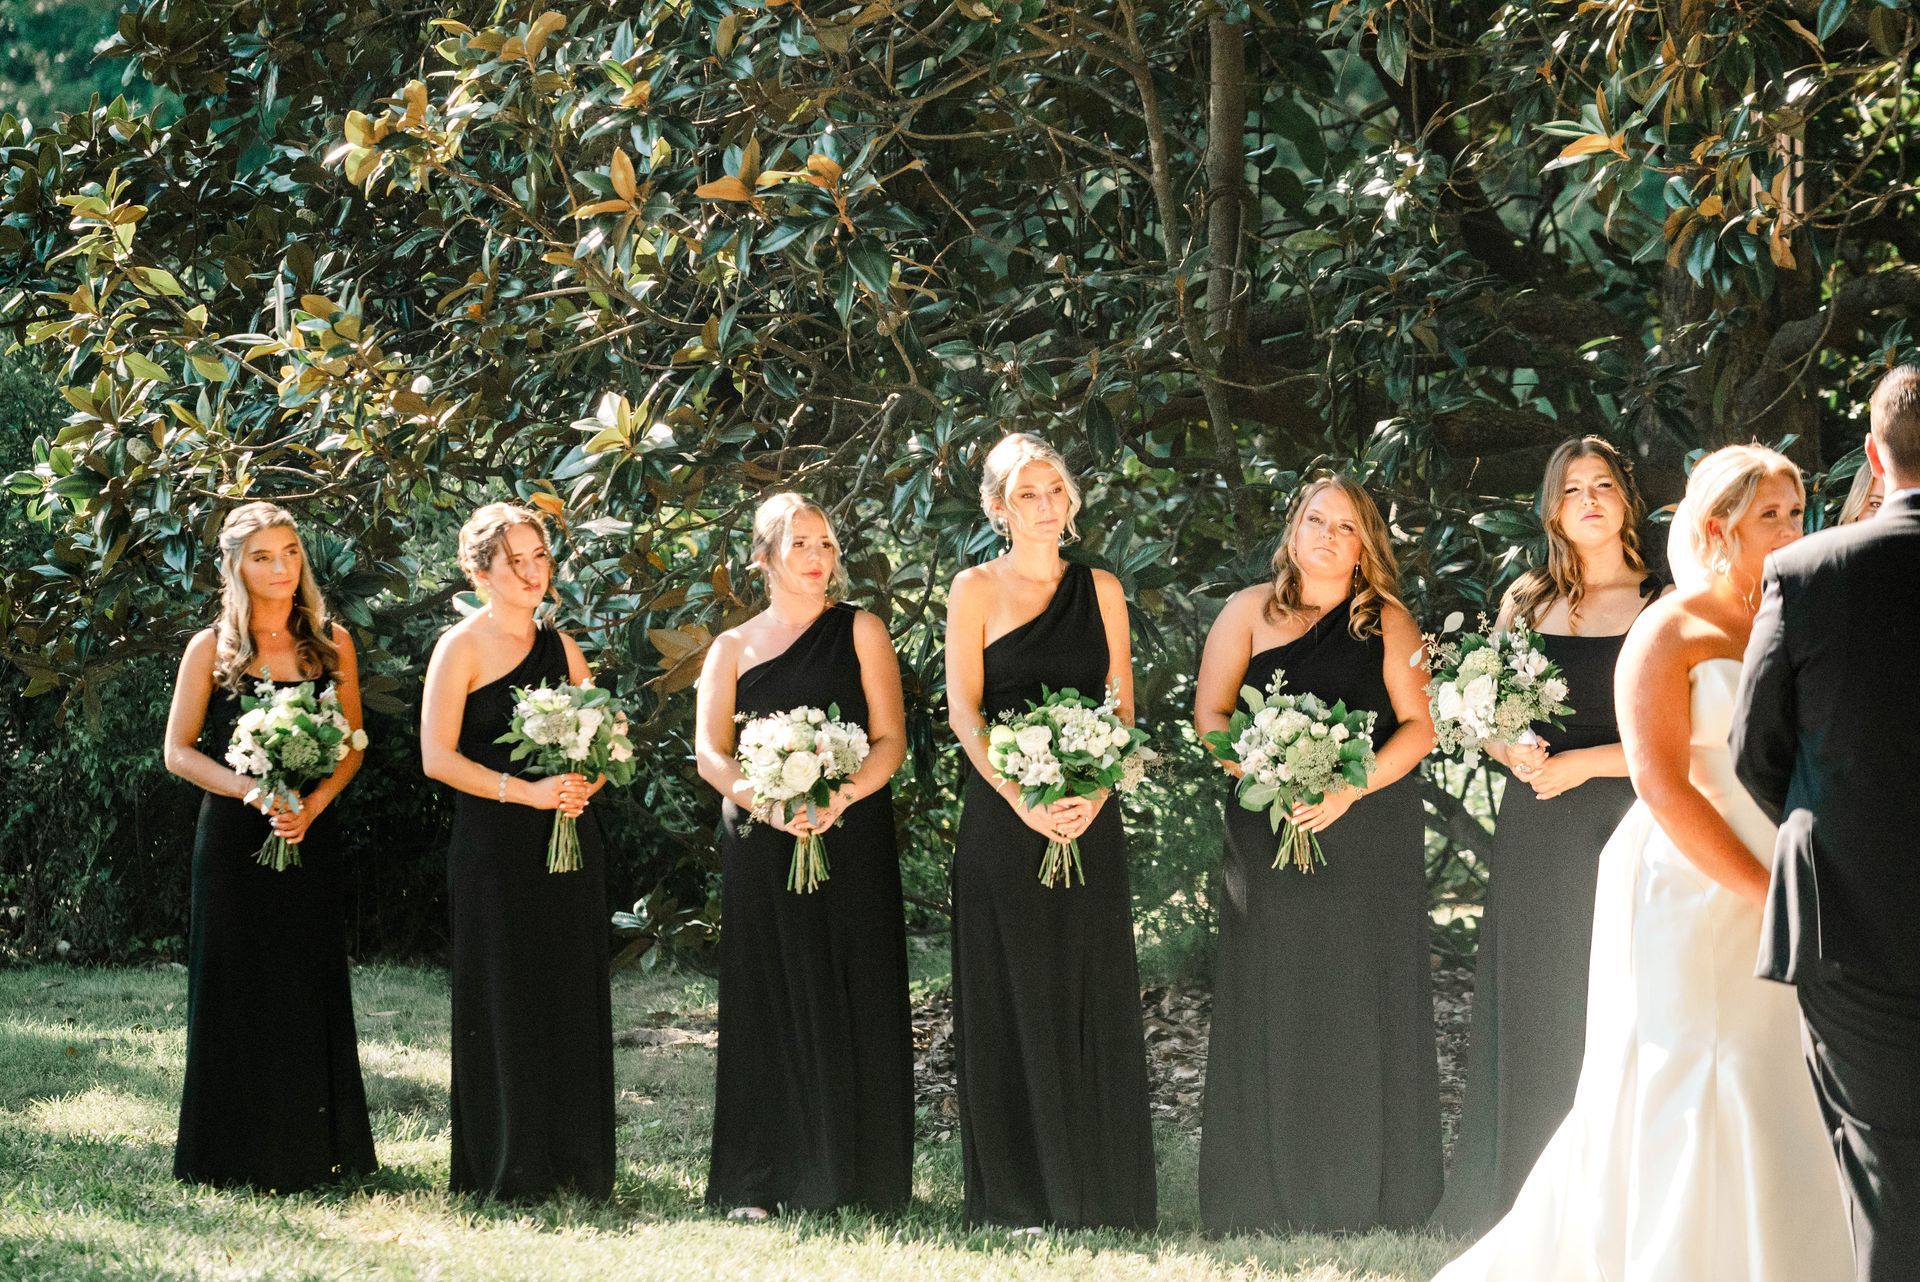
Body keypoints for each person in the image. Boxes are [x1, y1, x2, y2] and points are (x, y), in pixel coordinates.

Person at [1433, 445, 1851, 1282]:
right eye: (1768, 515)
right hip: (1690, 882)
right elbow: (1661, 781)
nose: (1789, 529)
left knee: (1777, 1065)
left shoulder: (1803, 615)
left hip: (1789, 862)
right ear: (1717, 527)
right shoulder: (1669, 629)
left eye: (1795, 513)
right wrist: (1766, 893)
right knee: (1701, 1063)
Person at [1194, 475, 1441, 1233]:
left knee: (1355, 996)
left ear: (1365, 545)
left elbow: (1420, 728)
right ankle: (1262, 1192)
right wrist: (1268, 771)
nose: (1327, 536)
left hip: (1367, 836)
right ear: (1292, 530)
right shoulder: (1247, 611)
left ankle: (1360, 1187)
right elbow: (1212, 716)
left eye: (1345, 526)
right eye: (1315, 520)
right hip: (1266, 835)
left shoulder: (1388, 621)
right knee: (1275, 992)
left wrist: (1346, 787)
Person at [1437, 438, 1663, 1234]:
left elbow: (1688, 736)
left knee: (1622, 997)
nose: (1590, 500)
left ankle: (1620, 1192)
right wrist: (1512, 750)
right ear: (1552, 510)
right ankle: (1524, 1188)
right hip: (1539, 823)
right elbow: (1484, 712)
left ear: (1626, 502)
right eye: (1572, 490)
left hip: (1633, 821)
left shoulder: (1663, 601)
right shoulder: (1527, 601)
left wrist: (1582, 765)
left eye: (1603, 486)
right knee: (1539, 996)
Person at [1732, 366, 1920, 1282]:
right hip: (1853, 914)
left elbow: (1755, 750)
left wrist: (1838, 821)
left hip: (1849, 917)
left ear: (1875, 458)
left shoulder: (1809, 572)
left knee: (1886, 1170)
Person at [944, 433, 1156, 1231]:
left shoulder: (1101, 588)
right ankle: (1020, 1195)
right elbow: (965, 712)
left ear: (1071, 501)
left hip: (1088, 818)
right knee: (1012, 990)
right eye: (1025, 494)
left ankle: (1100, 1191)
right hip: (1004, 820)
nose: (1044, 505)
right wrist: (1021, 798)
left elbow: (1120, 707)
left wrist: (1093, 796)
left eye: (1054, 491)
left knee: (1087, 989)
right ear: (998, 508)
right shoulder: (973, 588)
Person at [694, 493, 914, 1219]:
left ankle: (860, 1177)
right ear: (763, 558)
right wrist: (768, 805)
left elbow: (890, 740)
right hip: (762, 840)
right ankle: (760, 1179)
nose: (818, 558)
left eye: (826, 544)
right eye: (801, 544)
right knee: (770, 996)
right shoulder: (731, 648)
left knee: (855, 988)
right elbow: (711, 754)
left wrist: (839, 797)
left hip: (850, 834)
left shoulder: (862, 630)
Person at [163, 501, 377, 1191]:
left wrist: (311, 806)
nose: (281, 567)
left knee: (304, 979)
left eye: (290, 552)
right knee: (235, 982)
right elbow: (177, 752)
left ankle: (313, 1150)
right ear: (235, 567)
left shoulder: (331, 642)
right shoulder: (210, 649)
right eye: (262, 557)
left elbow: (352, 745)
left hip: (308, 832)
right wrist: (252, 793)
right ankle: (227, 1154)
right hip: (234, 836)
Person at [420, 503, 614, 1201]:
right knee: (505, 996)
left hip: (567, 841)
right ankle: (510, 1164)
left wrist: (585, 783)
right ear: (480, 573)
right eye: (516, 561)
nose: (534, 573)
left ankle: (575, 1163)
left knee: (568, 992)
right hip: (493, 850)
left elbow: (602, 742)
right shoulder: (460, 648)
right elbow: (436, 757)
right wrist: (525, 793)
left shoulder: (563, 648)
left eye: (540, 558)